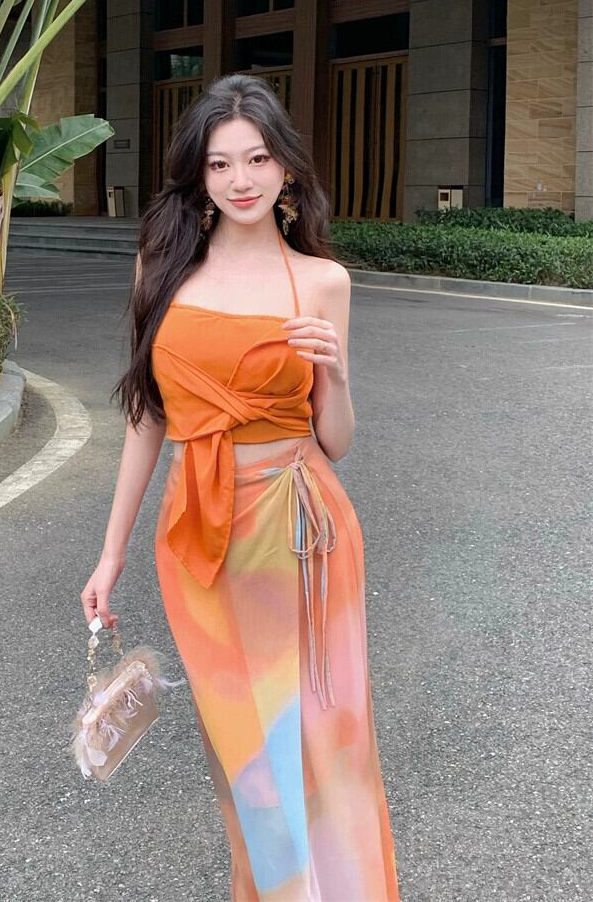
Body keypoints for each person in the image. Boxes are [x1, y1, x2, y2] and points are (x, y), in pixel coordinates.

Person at [80, 73, 400, 901]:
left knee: (323, 738)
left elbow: (335, 441)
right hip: (200, 542)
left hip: (302, 533)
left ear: (286, 168)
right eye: (221, 163)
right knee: (247, 753)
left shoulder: (322, 280)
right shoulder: (162, 267)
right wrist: (110, 554)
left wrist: (336, 376)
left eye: (257, 159)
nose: (241, 179)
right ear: (200, 175)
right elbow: (148, 417)